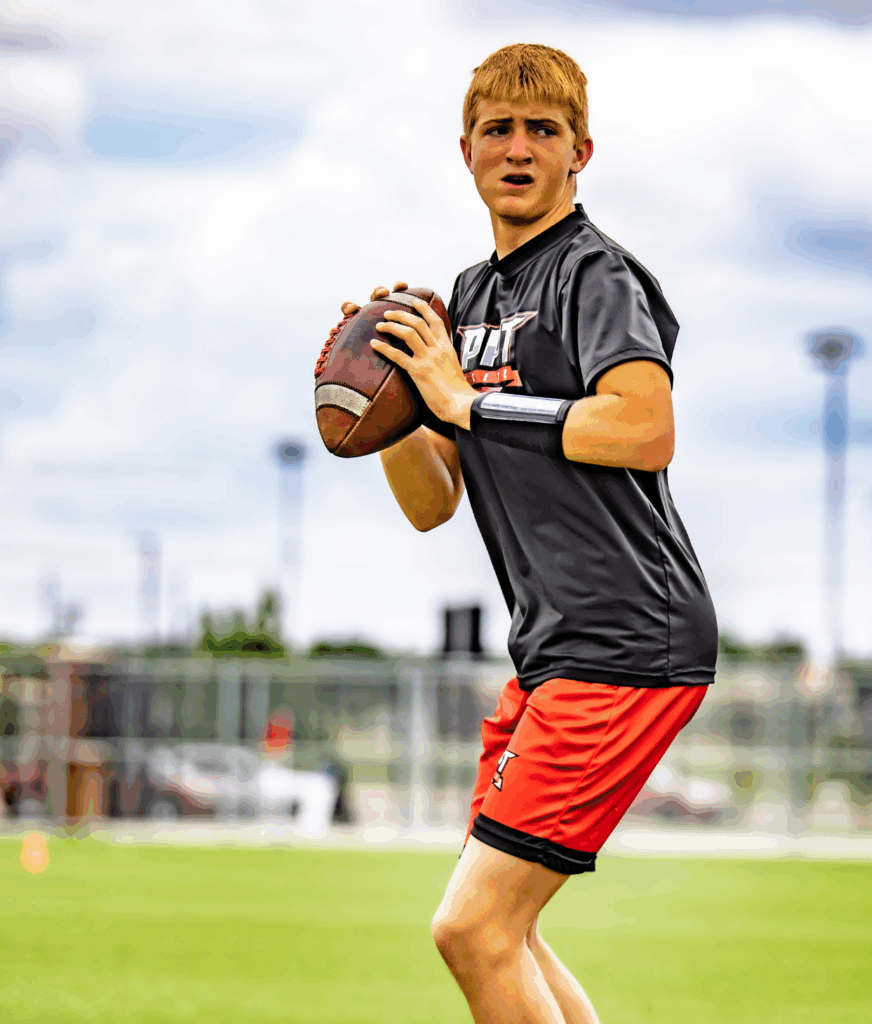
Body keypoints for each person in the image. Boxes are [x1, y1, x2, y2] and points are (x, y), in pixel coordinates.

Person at [341, 43, 718, 1024]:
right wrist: (394, 403)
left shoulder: (596, 274)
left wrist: (466, 402)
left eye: (542, 131)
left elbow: (644, 427)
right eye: (498, 130)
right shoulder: (464, 302)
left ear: (579, 152)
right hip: (552, 653)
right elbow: (432, 501)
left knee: (473, 928)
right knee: (504, 929)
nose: (518, 149)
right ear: (465, 150)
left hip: (626, 638)